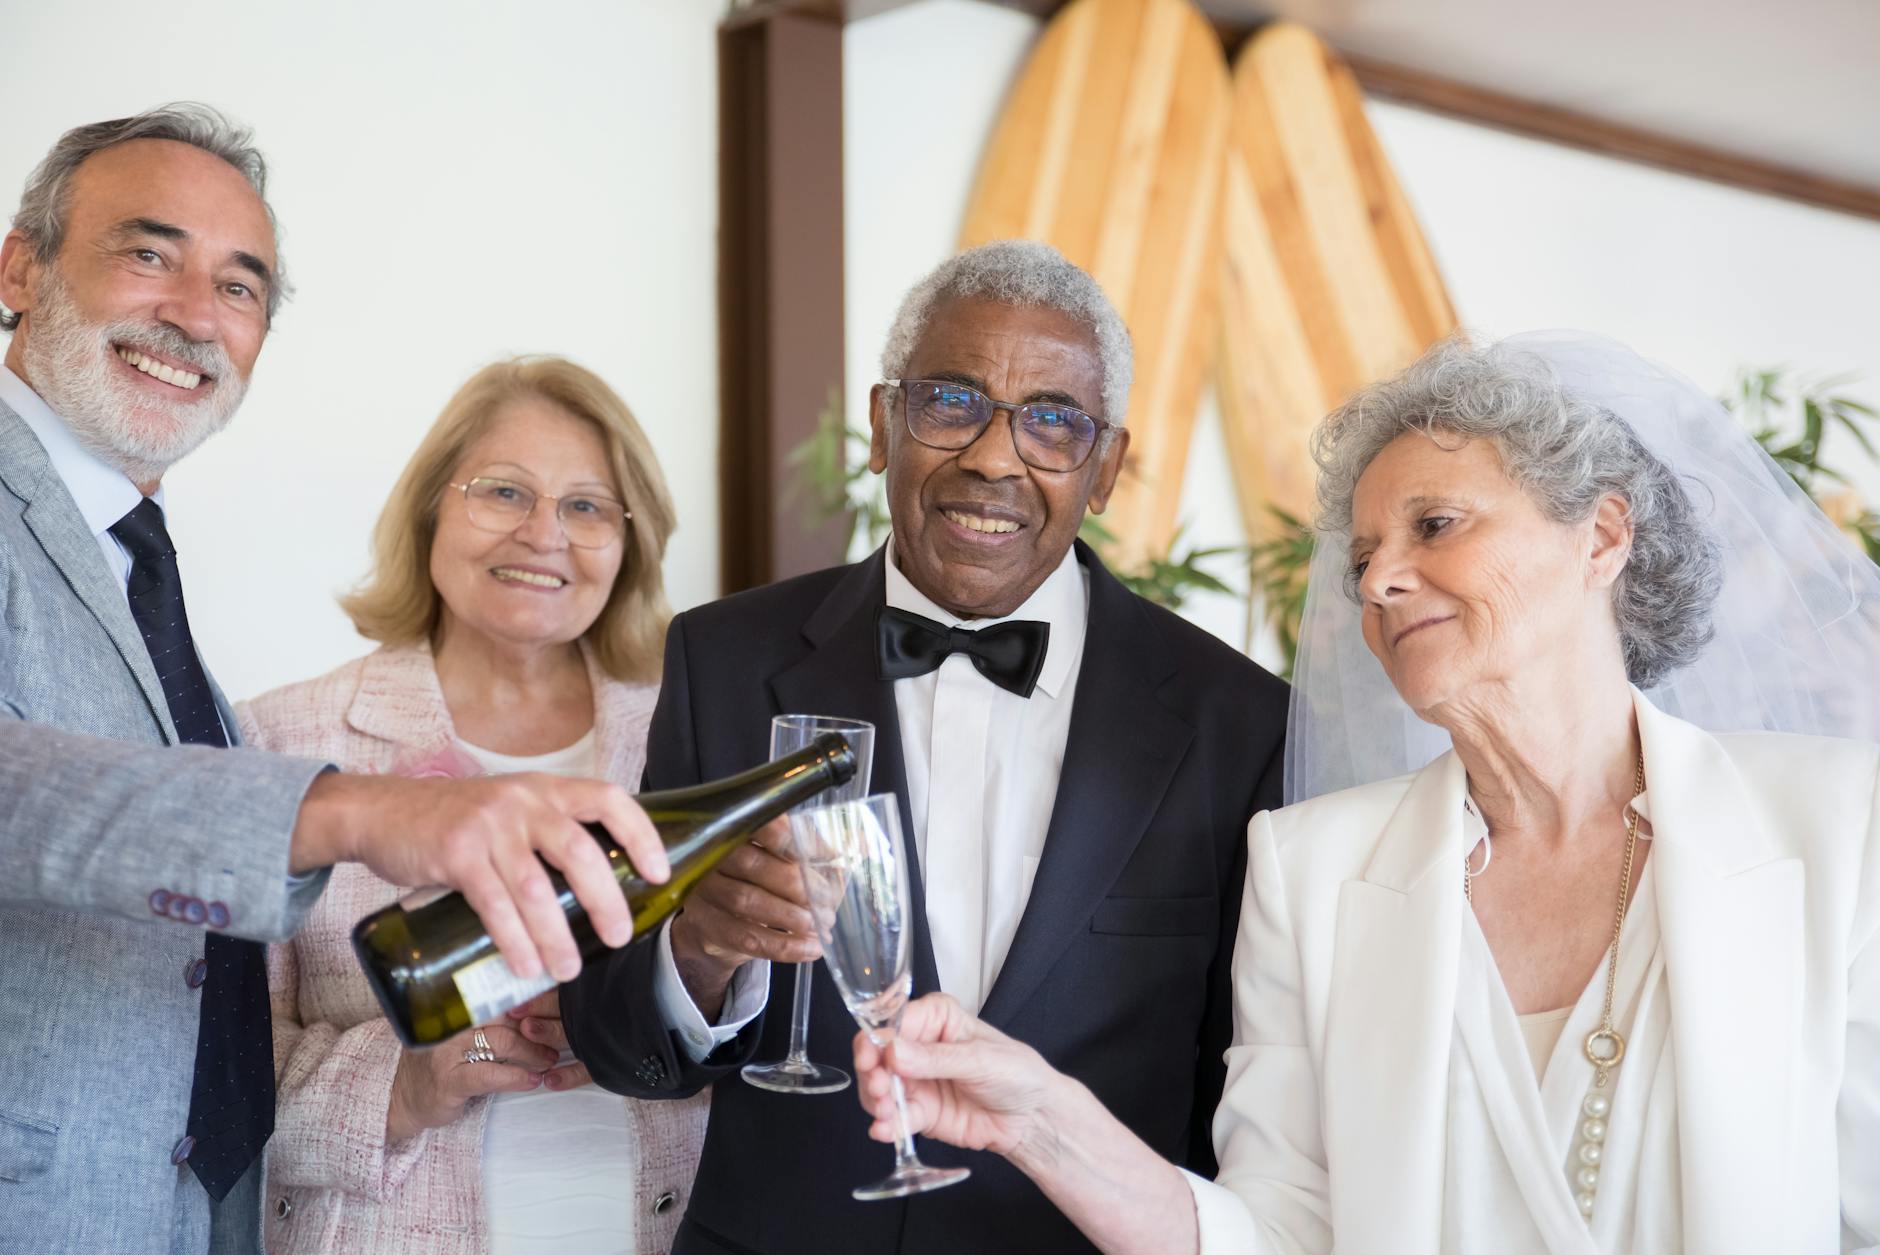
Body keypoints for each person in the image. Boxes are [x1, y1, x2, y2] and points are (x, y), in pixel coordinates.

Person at [850, 332, 1880, 1254]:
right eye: (1361, 557)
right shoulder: (1309, 872)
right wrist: (1038, 1117)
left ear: (1601, 537)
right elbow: (1276, 1231)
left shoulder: (1838, 828)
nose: (1380, 581)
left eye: (1433, 524)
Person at [0, 106, 667, 1255]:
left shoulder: (132, 560)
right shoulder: (287, 729)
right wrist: (361, 811)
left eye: (241, 286)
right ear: (19, 265)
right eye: (149, 252)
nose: (195, 313)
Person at [560, 239, 1290, 1254]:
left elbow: (1245, 1104)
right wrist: (699, 951)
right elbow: (620, 1044)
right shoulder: (721, 660)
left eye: (1051, 421)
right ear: (879, 425)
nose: (993, 457)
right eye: (951, 401)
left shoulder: (1238, 719)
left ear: (1105, 467)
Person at [235, 356, 705, 1253]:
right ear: (430, 510)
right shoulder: (279, 740)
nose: (544, 534)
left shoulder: (691, 737)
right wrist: (406, 1085)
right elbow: (206, 1075)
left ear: (629, 543)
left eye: (587, 506)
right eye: (504, 491)